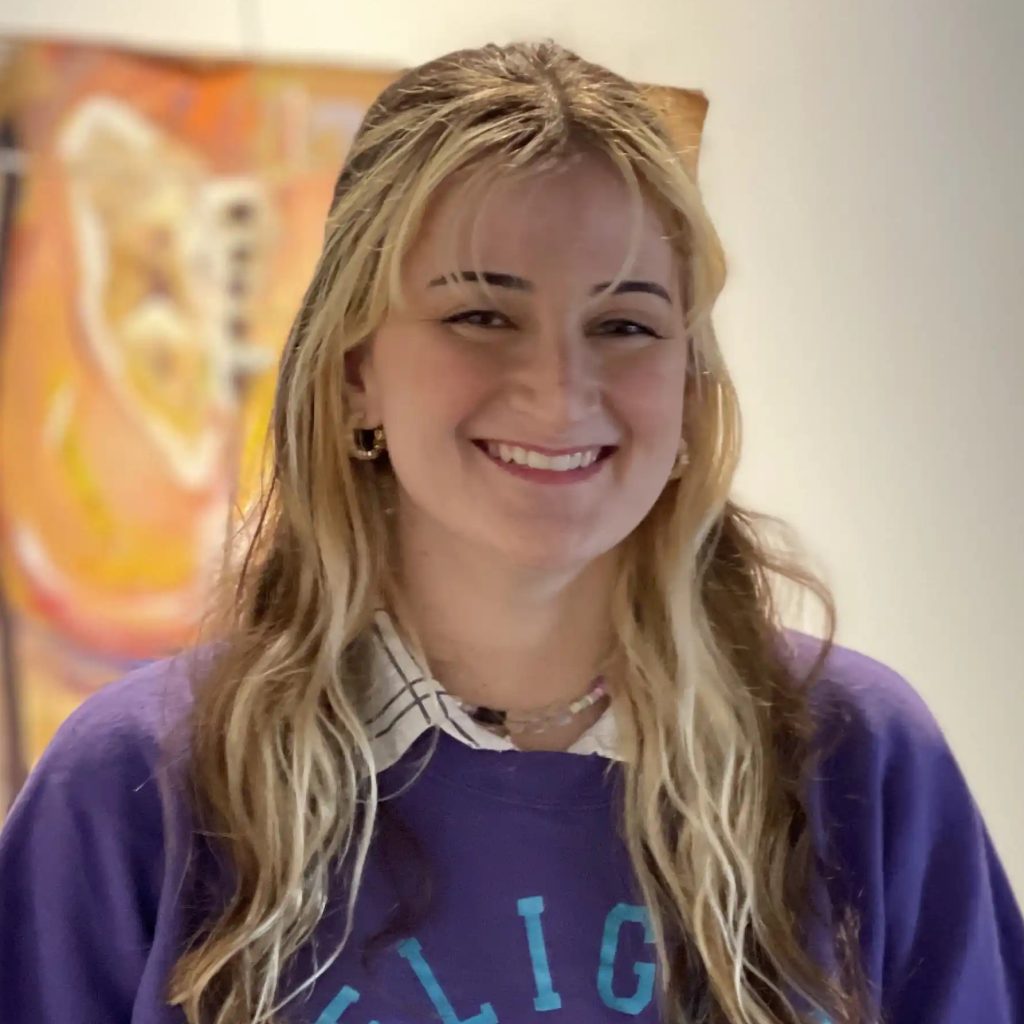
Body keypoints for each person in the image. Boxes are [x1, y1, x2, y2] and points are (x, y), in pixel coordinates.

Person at [0, 40, 1021, 1024]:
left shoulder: (855, 757)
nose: (559, 391)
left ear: (687, 388)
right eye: (481, 316)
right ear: (356, 373)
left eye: (625, 325)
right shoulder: (137, 785)